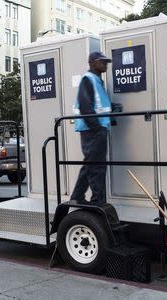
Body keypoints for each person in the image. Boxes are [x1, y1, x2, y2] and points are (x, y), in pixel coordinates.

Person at [70, 51, 112, 204]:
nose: (106, 64)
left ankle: (77, 197)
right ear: (93, 63)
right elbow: (85, 107)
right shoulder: (88, 79)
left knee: (91, 164)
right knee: (96, 167)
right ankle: (97, 201)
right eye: (103, 62)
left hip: (95, 129)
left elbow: (98, 105)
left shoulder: (96, 80)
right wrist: (98, 129)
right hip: (93, 130)